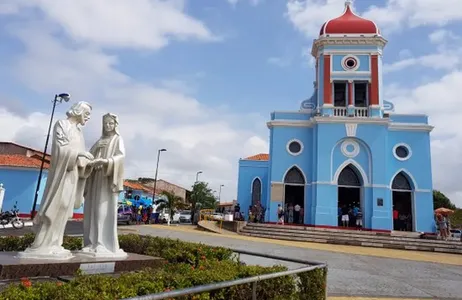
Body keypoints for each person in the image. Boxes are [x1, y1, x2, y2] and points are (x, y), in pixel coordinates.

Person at [20, 102, 93, 258]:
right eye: (86, 114)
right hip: (62, 174)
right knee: (56, 205)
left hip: (73, 174)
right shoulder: (62, 125)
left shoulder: (79, 132)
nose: (88, 117)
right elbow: (61, 150)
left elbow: (81, 156)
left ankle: (55, 243)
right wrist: (79, 154)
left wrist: (87, 162)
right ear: (78, 111)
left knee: (65, 207)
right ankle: (41, 244)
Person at [81, 113, 126, 257]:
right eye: (106, 123)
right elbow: (88, 156)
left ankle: (101, 243)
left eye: (111, 123)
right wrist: (94, 150)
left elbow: (121, 156)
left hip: (107, 179)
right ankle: (91, 242)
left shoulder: (117, 139)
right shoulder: (100, 140)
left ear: (115, 125)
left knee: (102, 209)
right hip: (95, 177)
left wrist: (106, 162)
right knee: (92, 209)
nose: (108, 126)